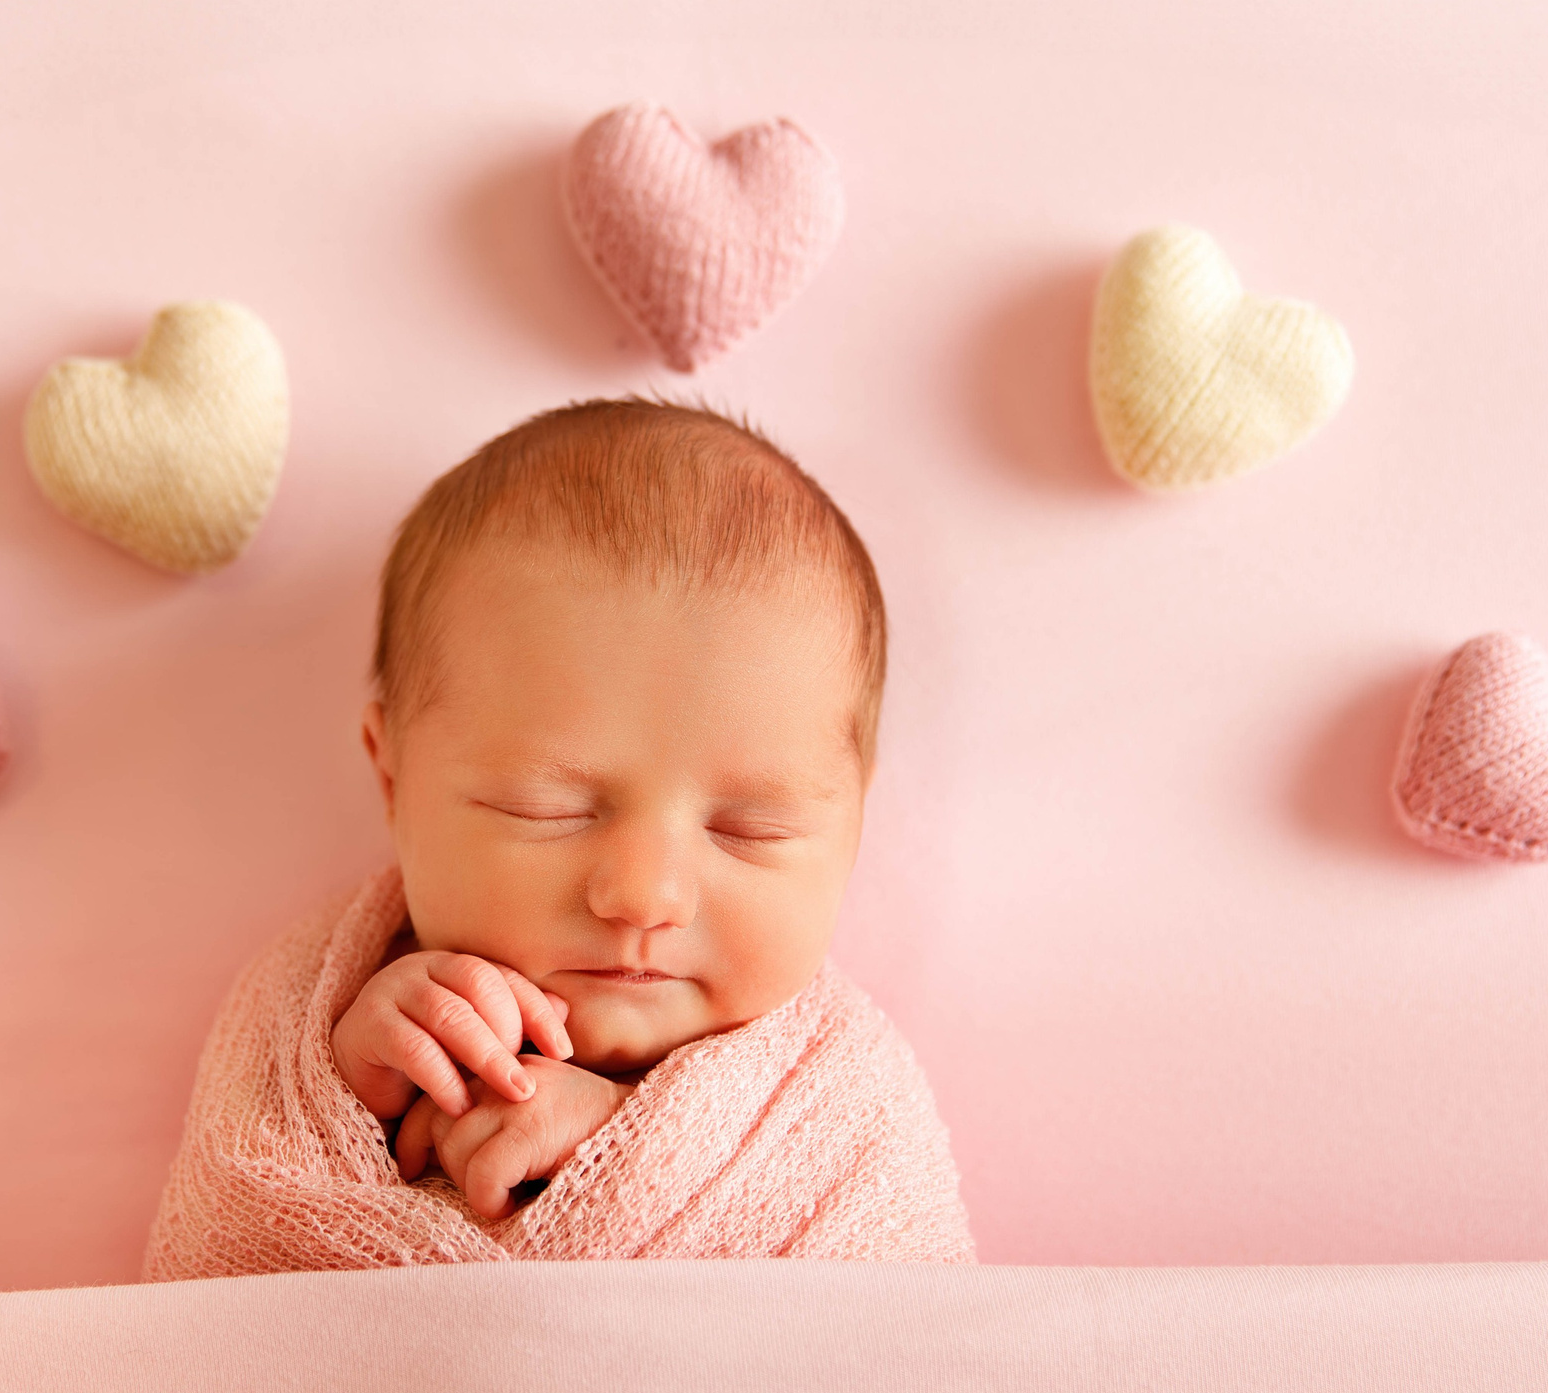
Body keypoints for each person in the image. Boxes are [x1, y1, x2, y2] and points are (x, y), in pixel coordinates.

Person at [142, 398, 972, 1276]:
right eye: (546, 808)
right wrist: (352, 1089)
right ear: (393, 780)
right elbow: (235, 1255)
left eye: (747, 828)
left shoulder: (839, 1108)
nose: (645, 895)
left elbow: (900, 1336)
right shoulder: (322, 1019)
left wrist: (620, 1150)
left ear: (852, 820)